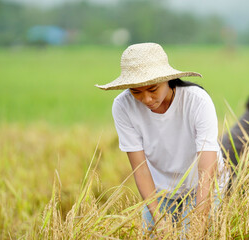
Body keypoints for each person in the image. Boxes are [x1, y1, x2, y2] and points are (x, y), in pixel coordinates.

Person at [95, 43, 227, 236]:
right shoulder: (123, 106)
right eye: (136, 92)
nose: (146, 99)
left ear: (168, 80)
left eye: (152, 89)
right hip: (161, 190)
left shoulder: (197, 101)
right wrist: (159, 220)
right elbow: (140, 169)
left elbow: (207, 170)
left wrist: (199, 223)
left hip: (203, 185)